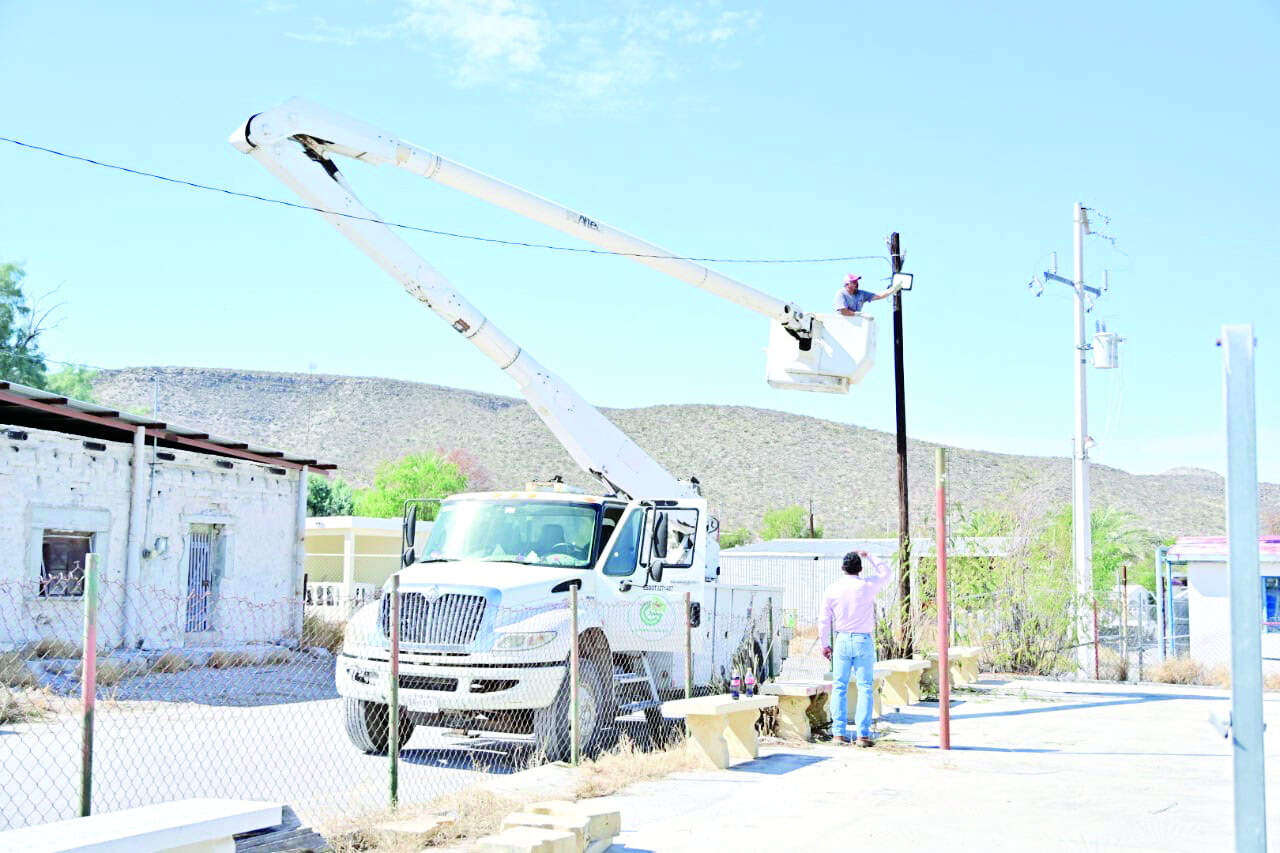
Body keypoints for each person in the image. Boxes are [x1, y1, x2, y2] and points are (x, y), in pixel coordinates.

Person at [819, 550, 892, 746]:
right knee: (865, 687)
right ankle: (862, 735)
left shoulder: (832, 589)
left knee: (839, 687)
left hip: (841, 640)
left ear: (843, 568)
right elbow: (886, 572)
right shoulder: (867, 586)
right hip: (863, 640)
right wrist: (870, 556)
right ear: (860, 569)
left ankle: (838, 733)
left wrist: (824, 644)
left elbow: (824, 620)